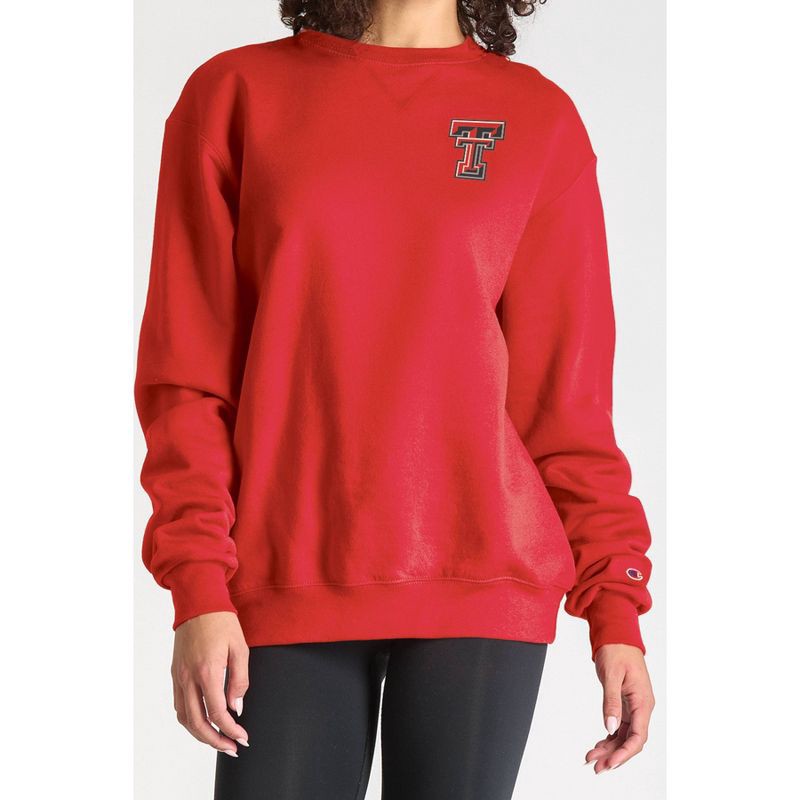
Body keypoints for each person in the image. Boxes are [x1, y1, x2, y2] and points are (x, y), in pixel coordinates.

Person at [134, 0, 656, 797]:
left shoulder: (537, 118)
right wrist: (198, 583)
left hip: (482, 575)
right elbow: (188, 376)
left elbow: (567, 402)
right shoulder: (234, 94)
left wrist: (615, 603)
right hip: (285, 570)